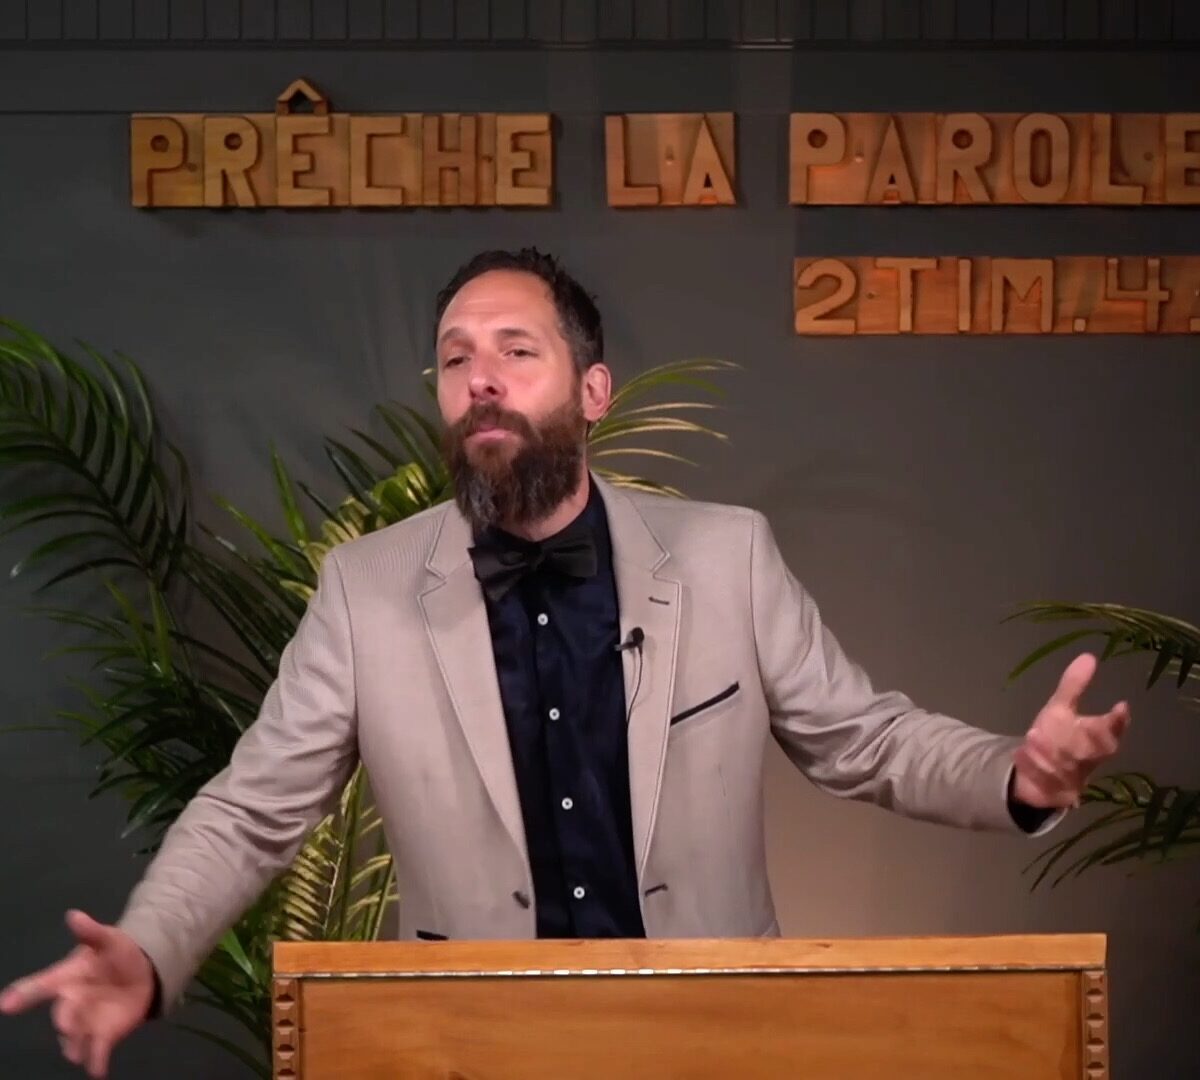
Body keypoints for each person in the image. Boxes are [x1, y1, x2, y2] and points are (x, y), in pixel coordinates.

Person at [1, 248, 1130, 1078]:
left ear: (593, 392)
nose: (480, 378)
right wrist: (149, 950)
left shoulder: (727, 557)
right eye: (456, 359)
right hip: (468, 1048)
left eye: (515, 351)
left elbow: (865, 740)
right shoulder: (365, 589)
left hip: (715, 1040)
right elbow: (254, 808)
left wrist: (1018, 776)